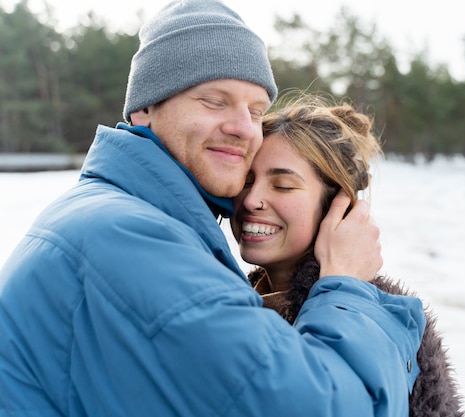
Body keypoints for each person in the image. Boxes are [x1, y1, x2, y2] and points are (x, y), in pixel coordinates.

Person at [0, 1, 427, 416]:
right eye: (214, 101)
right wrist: (346, 289)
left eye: (256, 110)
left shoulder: (115, 215)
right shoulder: (132, 241)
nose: (244, 128)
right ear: (145, 108)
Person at [230, 94, 465, 417]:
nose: (252, 199)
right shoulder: (229, 300)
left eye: (283, 185)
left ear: (336, 206)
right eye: (246, 181)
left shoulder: (379, 318)